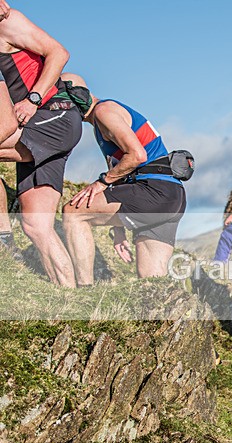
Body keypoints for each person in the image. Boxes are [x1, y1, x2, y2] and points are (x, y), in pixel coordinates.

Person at [60, 73, 187, 285]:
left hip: (152, 190)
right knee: (152, 282)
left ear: (75, 99)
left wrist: (101, 182)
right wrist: (118, 229)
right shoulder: (102, 120)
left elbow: (137, 155)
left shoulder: (104, 112)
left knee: (74, 213)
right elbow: (121, 174)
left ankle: (83, 292)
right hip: (172, 194)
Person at [0, 7, 82, 286]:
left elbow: (59, 52)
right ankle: (70, 302)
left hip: (51, 115)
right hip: (38, 127)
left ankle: (2, 238)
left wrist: (33, 98)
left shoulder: (7, 21)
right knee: (37, 226)